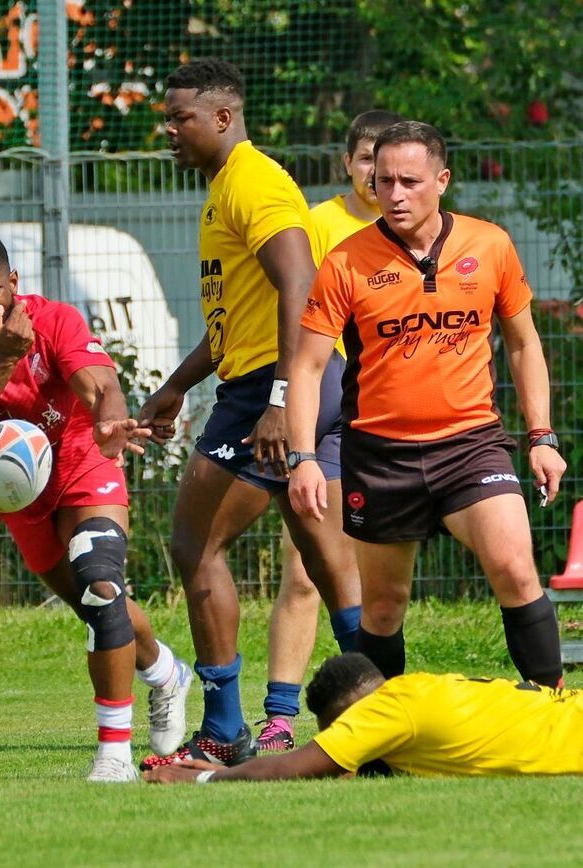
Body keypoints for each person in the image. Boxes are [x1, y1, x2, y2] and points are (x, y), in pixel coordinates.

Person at [136, 58, 360, 765]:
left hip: (276, 386)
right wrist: (176, 385)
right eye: (167, 118)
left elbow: (301, 284)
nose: (169, 130)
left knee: (194, 546)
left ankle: (223, 730)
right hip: (296, 381)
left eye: (182, 119)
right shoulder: (225, 188)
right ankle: (386, 698)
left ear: (224, 118)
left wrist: (279, 402)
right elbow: (240, 315)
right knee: (323, 553)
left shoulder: (254, 183)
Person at [287, 120, 566, 686]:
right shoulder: (345, 261)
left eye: (409, 181)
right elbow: (306, 365)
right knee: (384, 607)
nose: (393, 194)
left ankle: (555, 711)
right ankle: (381, 741)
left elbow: (523, 341)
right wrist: (303, 459)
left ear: (442, 180)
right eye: (383, 179)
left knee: (515, 567)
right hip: (380, 455)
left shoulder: (489, 245)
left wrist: (542, 436)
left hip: (471, 445)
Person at [0, 230, 191, 782]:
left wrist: (110, 416)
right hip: (18, 487)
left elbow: (100, 384)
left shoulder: (56, 318)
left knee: (101, 582)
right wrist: (3, 358)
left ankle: (114, 753)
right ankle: (164, 670)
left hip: (84, 456)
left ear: (13, 282)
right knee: (93, 605)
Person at [259, 109, 404, 753]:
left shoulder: (424, 233)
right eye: (367, 158)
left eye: (390, 159)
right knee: (305, 565)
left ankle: (386, 700)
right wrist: (285, 404)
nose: (379, 173)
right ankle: (281, 711)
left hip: (388, 416)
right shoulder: (319, 226)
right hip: (325, 412)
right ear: (348, 162)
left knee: (372, 574)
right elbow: (300, 326)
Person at [144, 653, 583, 783]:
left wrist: (205, 779)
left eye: (341, 733)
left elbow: (296, 766)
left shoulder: (383, 708)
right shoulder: (420, 687)